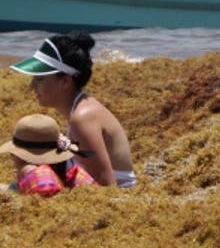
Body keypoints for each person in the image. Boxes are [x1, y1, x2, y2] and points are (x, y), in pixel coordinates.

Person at [10, 33, 136, 188]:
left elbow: (107, 187)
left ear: (65, 81)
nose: (32, 87)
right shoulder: (80, 110)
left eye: (40, 79)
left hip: (120, 195)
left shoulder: (82, 118)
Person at [0, 114, 96, 197]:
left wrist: (29, 174)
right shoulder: (66, 169)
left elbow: (42, 189)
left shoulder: (40, 177)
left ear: (19, 157)